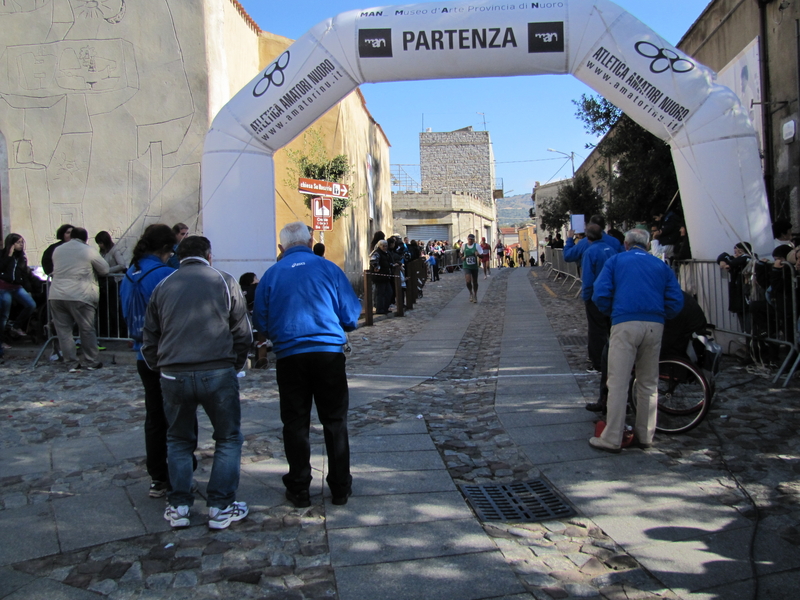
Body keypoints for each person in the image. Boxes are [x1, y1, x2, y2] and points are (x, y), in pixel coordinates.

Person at [142, 236, 252, 529]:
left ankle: (178, 505)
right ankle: (220, 505)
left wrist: (159, 366)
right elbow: (242, 332)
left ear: (179, 256)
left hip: (173, 371)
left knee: (178, 439)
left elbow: (150, 335)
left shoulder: (163, 285)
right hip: (217, 370)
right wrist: (236, 364)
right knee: (228, 437)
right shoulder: (224, 281)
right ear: (209, 255)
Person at [252, 221, 361, 508]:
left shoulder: (271, 275)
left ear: (281, 248)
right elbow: (350, 314)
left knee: (295, 422)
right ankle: (340, 486)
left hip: (289, 355)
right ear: (311, 242)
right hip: (327, 354)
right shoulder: (328, 269)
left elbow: (260, 321)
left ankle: (300, 486)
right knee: (335, 421)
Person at [589, 228, 683, 452]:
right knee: (648, 382)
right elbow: (676, 300)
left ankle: (612, 437)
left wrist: (613, 312)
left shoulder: (616, 261)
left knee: (618, 382)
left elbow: (600, 293)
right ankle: (645, 434)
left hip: (625, 322)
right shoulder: (660, 266)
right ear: (648, 245)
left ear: (626, 244)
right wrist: (661, 314)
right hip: (654, 324)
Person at [120, 224, 195, 499]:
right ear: (166, 249)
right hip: (169, 353)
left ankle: (158, 476)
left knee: (154, 416)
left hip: (143, 353)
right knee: (179, 416)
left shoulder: (131, 273)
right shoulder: (165, 275)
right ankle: (179, 473)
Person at [587, 291, 707, 413]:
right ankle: (608, 398)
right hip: (683, 335)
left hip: (675, 341)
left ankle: (607, 400)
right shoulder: (669, 293)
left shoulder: (665, 299)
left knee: (612, 349)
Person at [48, 227, 109, 372]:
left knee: (64, 331)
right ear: (85, 238)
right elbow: (105, 269)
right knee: (86, 328)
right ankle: (91, 361)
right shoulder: (88, 250)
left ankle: (71, 363)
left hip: (57, 294)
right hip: (80, 294)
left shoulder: (58, 250)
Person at [581, 225, 615, 373]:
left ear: (588, 237)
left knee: (596, 330)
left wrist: (586, 297)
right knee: (611, 329)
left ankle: (598, 364)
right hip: (612, 294)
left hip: (596, 296)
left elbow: (588, 278)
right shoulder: (611, 249)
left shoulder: (590, 252)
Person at [0, 234, 37, 343]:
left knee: (31, 305)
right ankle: (2, 342)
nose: (21, 245)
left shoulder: (21, 257)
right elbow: (1, 267)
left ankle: (16, 326)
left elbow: (24, 273)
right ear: (11, 244)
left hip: (17, 287)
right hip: (4, 287)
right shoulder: (3, 254)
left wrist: (28, 288)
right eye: (18, 242)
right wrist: (9, 256)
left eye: (22, 242)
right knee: (4, 315)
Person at [369, 239, 393, 314]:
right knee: (380, 293)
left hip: (386, 276)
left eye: (386, 246)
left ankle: (385, 308)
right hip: (379, 277)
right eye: (383, 246)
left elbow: (389, 262)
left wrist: (392, 265)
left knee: (389, 292)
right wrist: (377, 267)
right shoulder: (377, 253)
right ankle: (380, 309)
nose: (385, 247)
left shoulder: (386, 253)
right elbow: (373, 260)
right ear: (380, 246)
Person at [461, 234, 481, 303]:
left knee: (475, 281)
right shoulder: (464, 246)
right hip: (466, 266)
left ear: (473, 240)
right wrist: (462, 257)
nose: (470, 240)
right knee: (468, 281)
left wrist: (478, 254)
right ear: (467, 239)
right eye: (469, 239)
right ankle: (471, 293)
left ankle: (475, 295)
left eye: (472, 239)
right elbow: (461, 253)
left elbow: (482, 255)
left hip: (474, 266)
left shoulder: (477, 246)